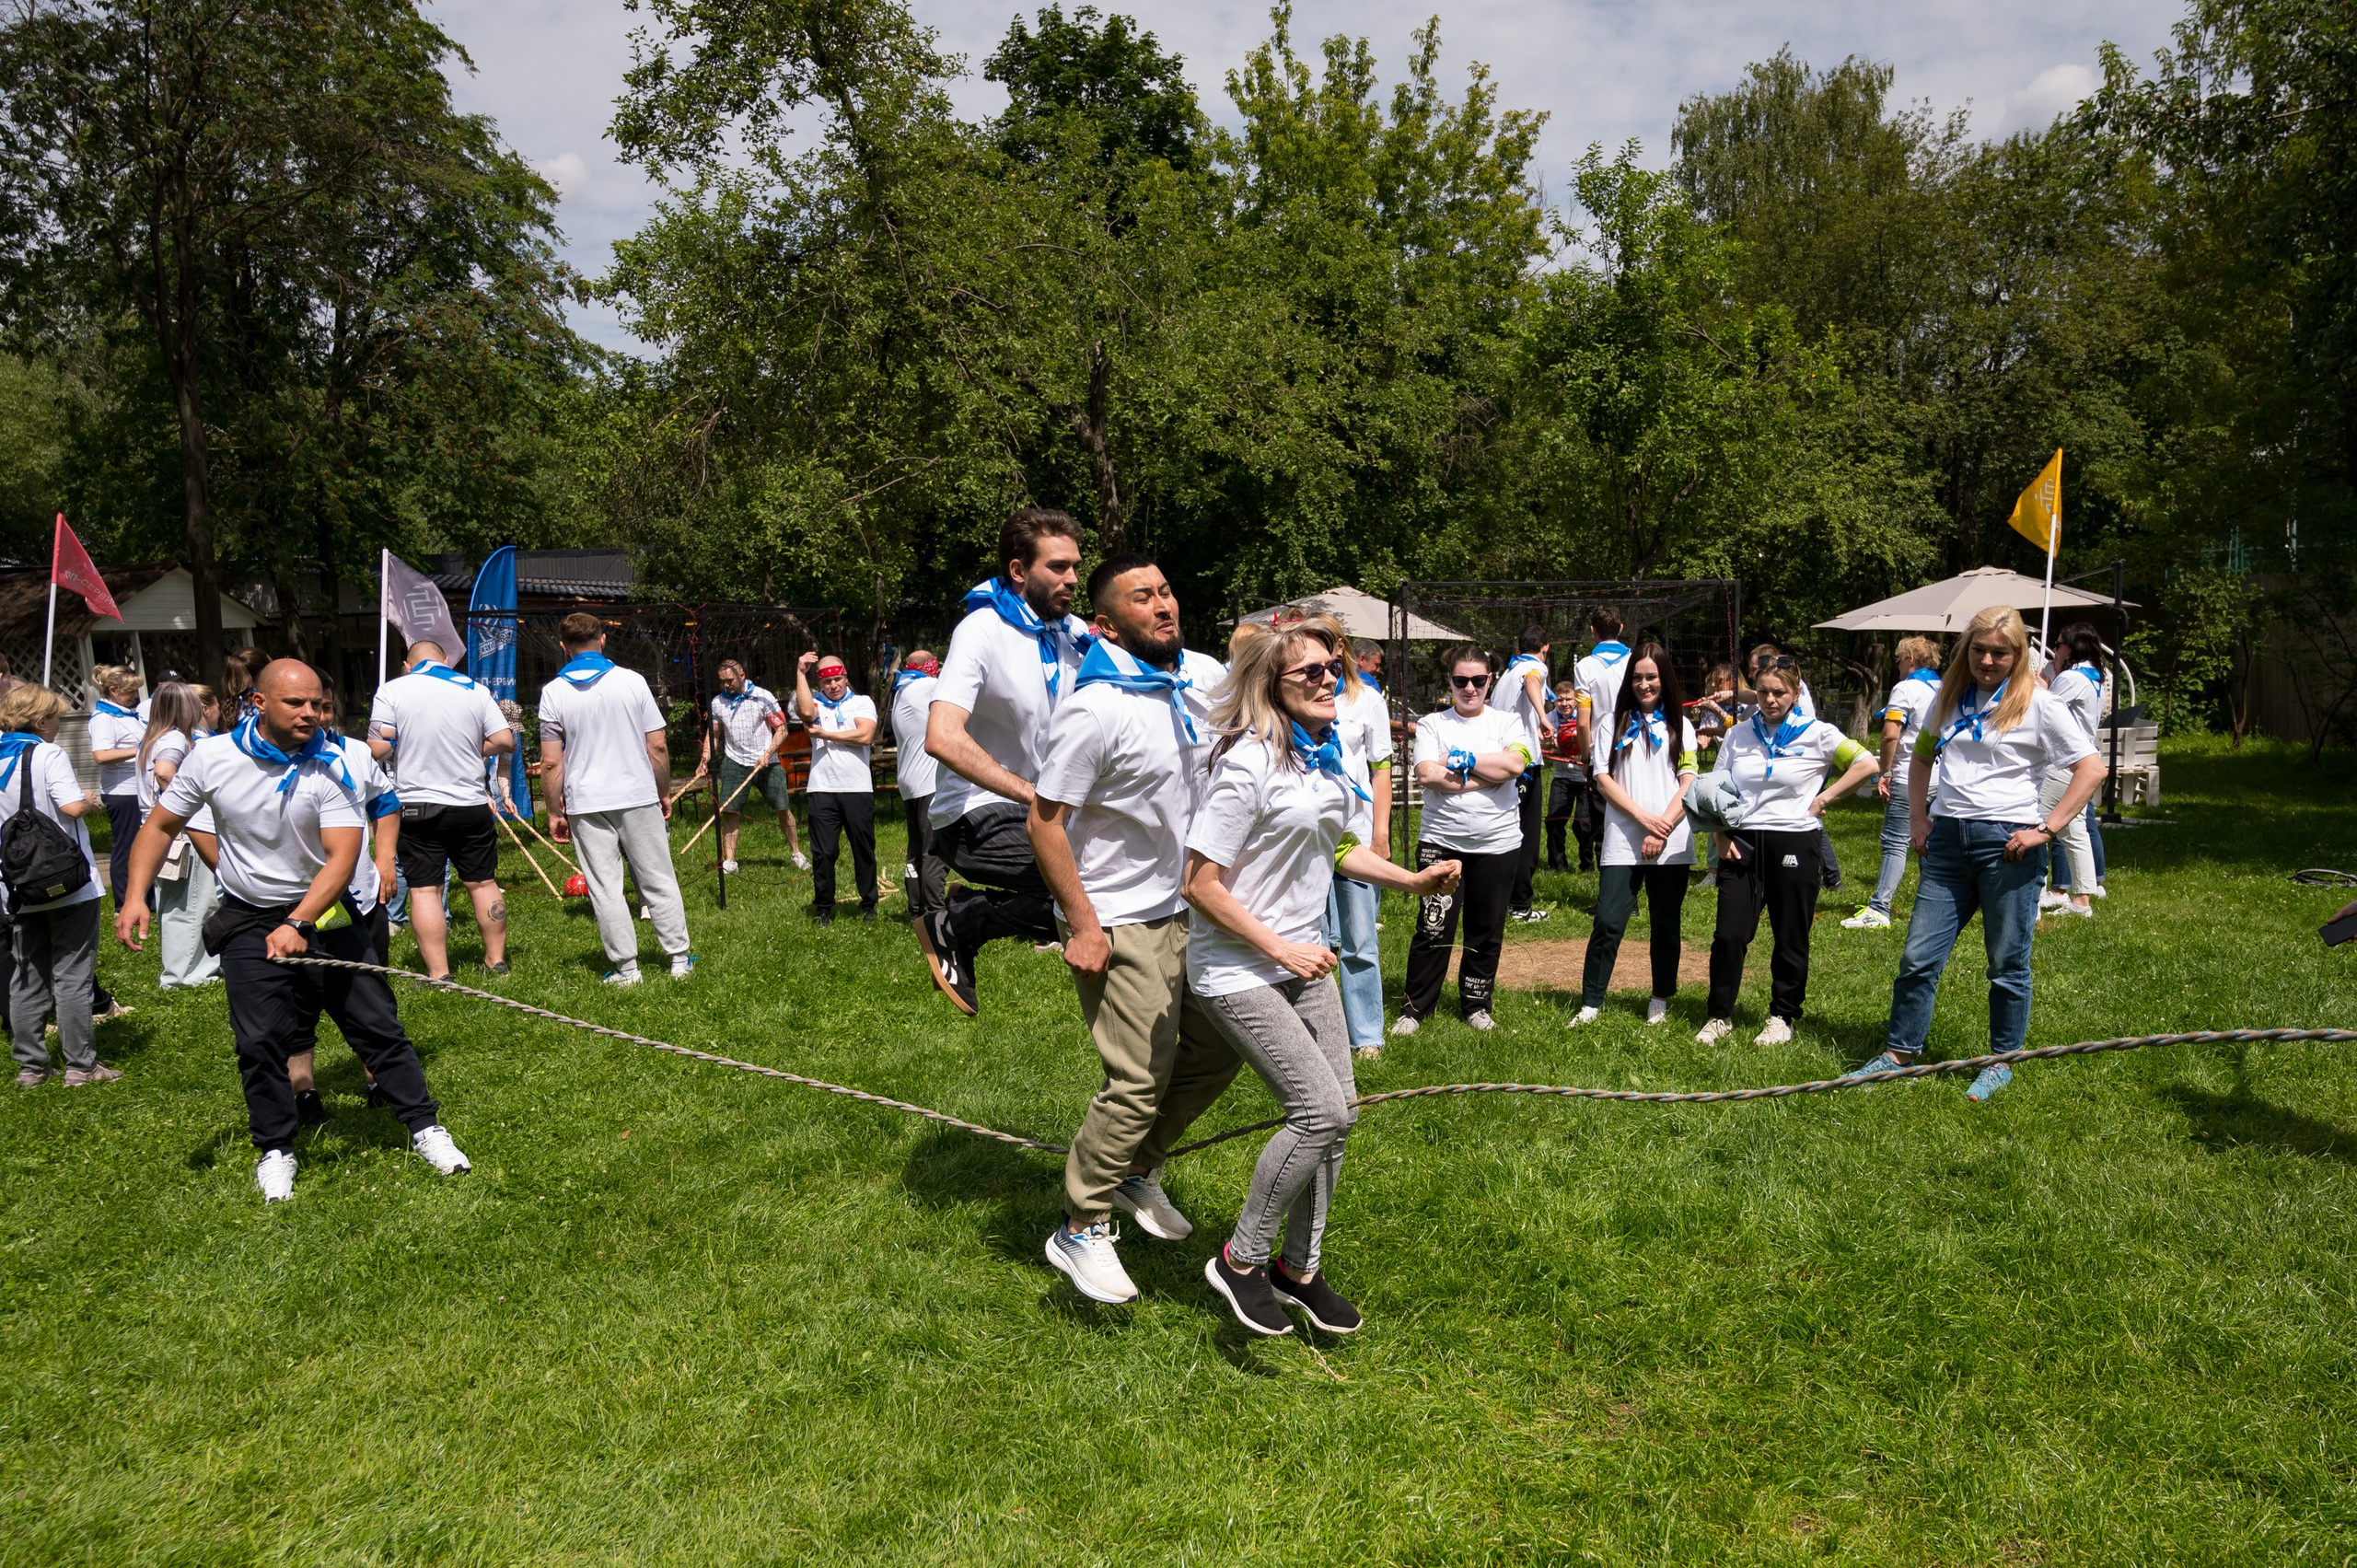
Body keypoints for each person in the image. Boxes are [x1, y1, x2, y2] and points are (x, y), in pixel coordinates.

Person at [1183, 622, 1460, 1336]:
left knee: (1342, 1111)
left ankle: (1297, 1270)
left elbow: (1337, 845)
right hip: (1239, 968)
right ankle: (1241, 1260)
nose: (1326, 677)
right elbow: (1199, 883)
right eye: (1307, 671)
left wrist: (1410, 879)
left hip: (1303, 960)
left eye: (1331, 666)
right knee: (1320, 1111)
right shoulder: (1247, 763)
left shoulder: (1322, 758)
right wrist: (1281, 946)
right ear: (1271, 687)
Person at [119, 660, 470, 1201]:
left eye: (316, 703)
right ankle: (276, 1149)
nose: (311, 713)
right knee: (259, 1040)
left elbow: (340, 859)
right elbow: (162, 824)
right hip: (248, 918)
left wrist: (299, 921)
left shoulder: (333, 762)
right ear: (259, 704)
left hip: (328, 910)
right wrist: (135, 896)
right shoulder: (211, 758)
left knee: (376, 1026)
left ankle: (425, 1127)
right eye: (296, 703)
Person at [1028, 553, 1243, 1303]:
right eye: (1141, 597)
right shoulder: (1095, 707)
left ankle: (1131, 1168)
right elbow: (1044, 820)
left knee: (1220, 1048)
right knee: (1139, 1076)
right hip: (1118, 914)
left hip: (1188, 903)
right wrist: (1084, 926)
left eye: (1166, 590)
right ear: (1105, 623)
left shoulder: (1201, 677)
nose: (1163, 605)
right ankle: (1080, 1221)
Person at [1850, 606, 2107, 1100]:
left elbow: (2091, 769)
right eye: (1979, 649)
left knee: (2007, 963)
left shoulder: (2039, 704)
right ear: (1966, 649)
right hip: (1947, 842)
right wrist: (1921, 819)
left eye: (1999, 652)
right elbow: (1921, 755)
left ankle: (2001, 1061)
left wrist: (2047, 830)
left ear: (2018, 655)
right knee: (1918, 957)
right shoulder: (1949, 699)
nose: (1987, 660)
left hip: (2008, 846)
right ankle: (1899, 1052)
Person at [917, 510, 1091, 1016]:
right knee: (1086, 890)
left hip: (1046, 813)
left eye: (1076, 567)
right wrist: (1031, 793)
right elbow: (942, 738)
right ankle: (964, 922)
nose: (1073, 579)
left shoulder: (1074, 633)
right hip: (976, 813)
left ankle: (970, 919)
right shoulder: (981, 630)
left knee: (1109, 890)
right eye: (1058, 567)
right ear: (1019, 570)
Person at [1696, 656, 1878, 1046]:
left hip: (1795, 840)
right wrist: (1719, 837)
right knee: (1729, 935)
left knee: (1790, 935)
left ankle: (1782, 1016)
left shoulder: (1819, 733)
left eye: (1779, 692)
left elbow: (1867, 763)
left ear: (1796, 694)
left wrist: (1825, 797)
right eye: (1763, 691)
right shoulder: (1738, 734)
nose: (1770, 699)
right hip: (1741, 841)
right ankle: (1719, 1015)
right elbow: (1714, 788)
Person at [538, 613, 694, 984]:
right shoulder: (632, 681)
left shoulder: (552, 692)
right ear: (603, 639)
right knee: (659, 876)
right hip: (637, 794)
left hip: (586, 801)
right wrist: (663, 791)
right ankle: (679, 960)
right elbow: (657, 745)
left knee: (604, 886)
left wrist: (552, 810)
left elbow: (549, 762)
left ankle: (627, 969)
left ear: (564, 646)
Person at [1395, 645, 1532, 1035]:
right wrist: (1491, 772)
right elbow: (1427, 775)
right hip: (1442, 840)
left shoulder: (1507, 722)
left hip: (1498, 844)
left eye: (1478, 680)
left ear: (1490, 680)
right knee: (1433, 927)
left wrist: (1459, 759)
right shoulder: (1433, 722)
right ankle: (1415, 1008)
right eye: (1461, 680)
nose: (1469, 688)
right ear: (1449, 681)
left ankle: (1476, 1003)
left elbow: (1516, 764)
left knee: (1486, 929)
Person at [285, 677, 401, 1126]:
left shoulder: (356, 752)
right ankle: (304, 1090)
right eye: (305, 704)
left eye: (326, 706)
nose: (318, 715)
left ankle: (376, 1077)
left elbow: (386, 805)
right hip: (294, 902)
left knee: (371, 992)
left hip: (360, 896)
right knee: (299, 999)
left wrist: (385, 858)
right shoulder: (253, 760)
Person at [366, 640, 514, 980]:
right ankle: (496, 961)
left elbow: (376, 747)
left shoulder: (392, 690)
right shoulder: (475, 689)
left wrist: (401, 747)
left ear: (407, 664)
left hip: (418, 805)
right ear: (446, 660)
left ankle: (440, 974)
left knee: (424, 889)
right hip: (472, 804)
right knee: (482, 882)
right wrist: (470, 747)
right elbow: (506, 740)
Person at [1569, 645, 1698, 1028]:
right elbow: (1603, 780)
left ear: (1665, 680)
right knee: (1608, 920)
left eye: (1652, 677)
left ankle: (1659, 998)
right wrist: (1644, 819)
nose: (1644, 684)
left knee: (1665, 922)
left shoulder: (1682, 726)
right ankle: (1591, 1002)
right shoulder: (1610, 723)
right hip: (1623, 838)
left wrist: (1664, 826)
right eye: (1638, 677)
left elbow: (1688, 782)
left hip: (1671, 841)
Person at [3, 685, 115, 1088]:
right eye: (55, 717)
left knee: (26, 974)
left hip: (16, 885)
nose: (58, 724)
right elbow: (69, 806)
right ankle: (80, 1066)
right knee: (72, 973)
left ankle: (31, 1067)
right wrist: (88, 799)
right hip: (65, 881)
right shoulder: (47, 754)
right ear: (41, 720)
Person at [1844, 635, 1945, 931]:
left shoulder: (1906, 688)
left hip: (1909, 775)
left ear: (1911, 659)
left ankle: (1879, 908)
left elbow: (1890, 735)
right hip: (1942, 778)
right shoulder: (1946, 687)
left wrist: (1885, 772)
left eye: (1899, 659)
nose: (1898, 665)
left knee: (1895, 843)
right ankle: (1931, 909)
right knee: (1931, 845)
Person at [136, 682, 223, 990]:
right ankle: (188, 974)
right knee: (194, 903)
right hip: (183, 834)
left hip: (162, 833)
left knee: (175, 904)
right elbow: (164, 771)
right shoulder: (175, 738)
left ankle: (183, 969)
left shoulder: (153, 737)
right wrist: (183, 802)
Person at [695, 659, 803, 875]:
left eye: (730, 680)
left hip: (766, 762)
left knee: (782, 807)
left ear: (742, 675)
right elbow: (714, 734)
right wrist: (705, 758)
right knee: (730, 811)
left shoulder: (763, 696)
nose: (726, 685)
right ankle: (730, 861)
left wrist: (768, 754)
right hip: (734, 761)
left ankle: (796, 853)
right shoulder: (718, 703)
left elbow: (781, 730)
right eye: (722, 681)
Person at [795, 652, 878, 924]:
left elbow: (864, 735)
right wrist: (800, 672)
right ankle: (823, 908)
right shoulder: (815, 703)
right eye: (827, 681)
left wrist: (826, 735)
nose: (834, 685)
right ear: (820, 684)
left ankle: (869, 905)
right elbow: (806, 712)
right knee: (823, 852)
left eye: (838, 678)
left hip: (857, 787)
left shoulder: (862, 702)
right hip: (822, 787)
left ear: (846, 677)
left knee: (862, 849)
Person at [2038, 622, 2107, 919]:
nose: (2056, 649)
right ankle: (2082, 900)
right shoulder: (2093, 677)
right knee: (2075, 832)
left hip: (2060, 763)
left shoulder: (2072, 678)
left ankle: (2035, 891)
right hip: (2080, 759)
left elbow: (2042, 710)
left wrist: (2040, 685)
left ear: (2074, 647)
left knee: (2033, 822)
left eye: (2060, 643)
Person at [1494, 626, 1555, 923]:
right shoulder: (1533, 667)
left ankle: (1503, 900)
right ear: (1545, 646)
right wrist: (1544, 718)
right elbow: (1533, 679)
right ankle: (1519, 905)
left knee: (1504, 831)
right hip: (1524, 765)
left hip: (1502, 761)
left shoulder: (1506, 674)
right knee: (1527, 837)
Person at [889, 651, 946, 925]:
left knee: (914, 851)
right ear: (931, 667)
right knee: (932, 850)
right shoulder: (926, 686)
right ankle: (936, 911)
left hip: (909, 784)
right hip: (928, 783)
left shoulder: (903, 690)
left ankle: (916, 910)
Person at [87, 664, 147, 913]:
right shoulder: (104, 718)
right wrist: (142, 750)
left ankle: (144, 897)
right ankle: (123, 903)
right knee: (126, 847)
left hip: (137, 788)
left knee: (141, 845)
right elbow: (101, 755)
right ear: (113, 691)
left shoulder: (127, 714)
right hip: (122, 791)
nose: (135, 695)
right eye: (130, 690)